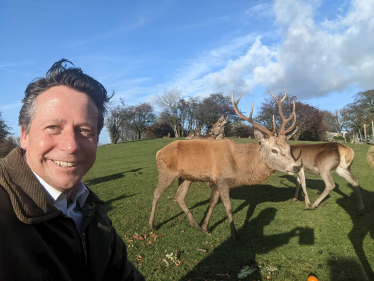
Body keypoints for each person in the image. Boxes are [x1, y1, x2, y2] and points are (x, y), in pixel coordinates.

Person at [0, 59, 145, 280]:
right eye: (53, 127)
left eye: (85, 130)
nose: (71, 146)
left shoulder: (90, 209)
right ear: (24, 135)